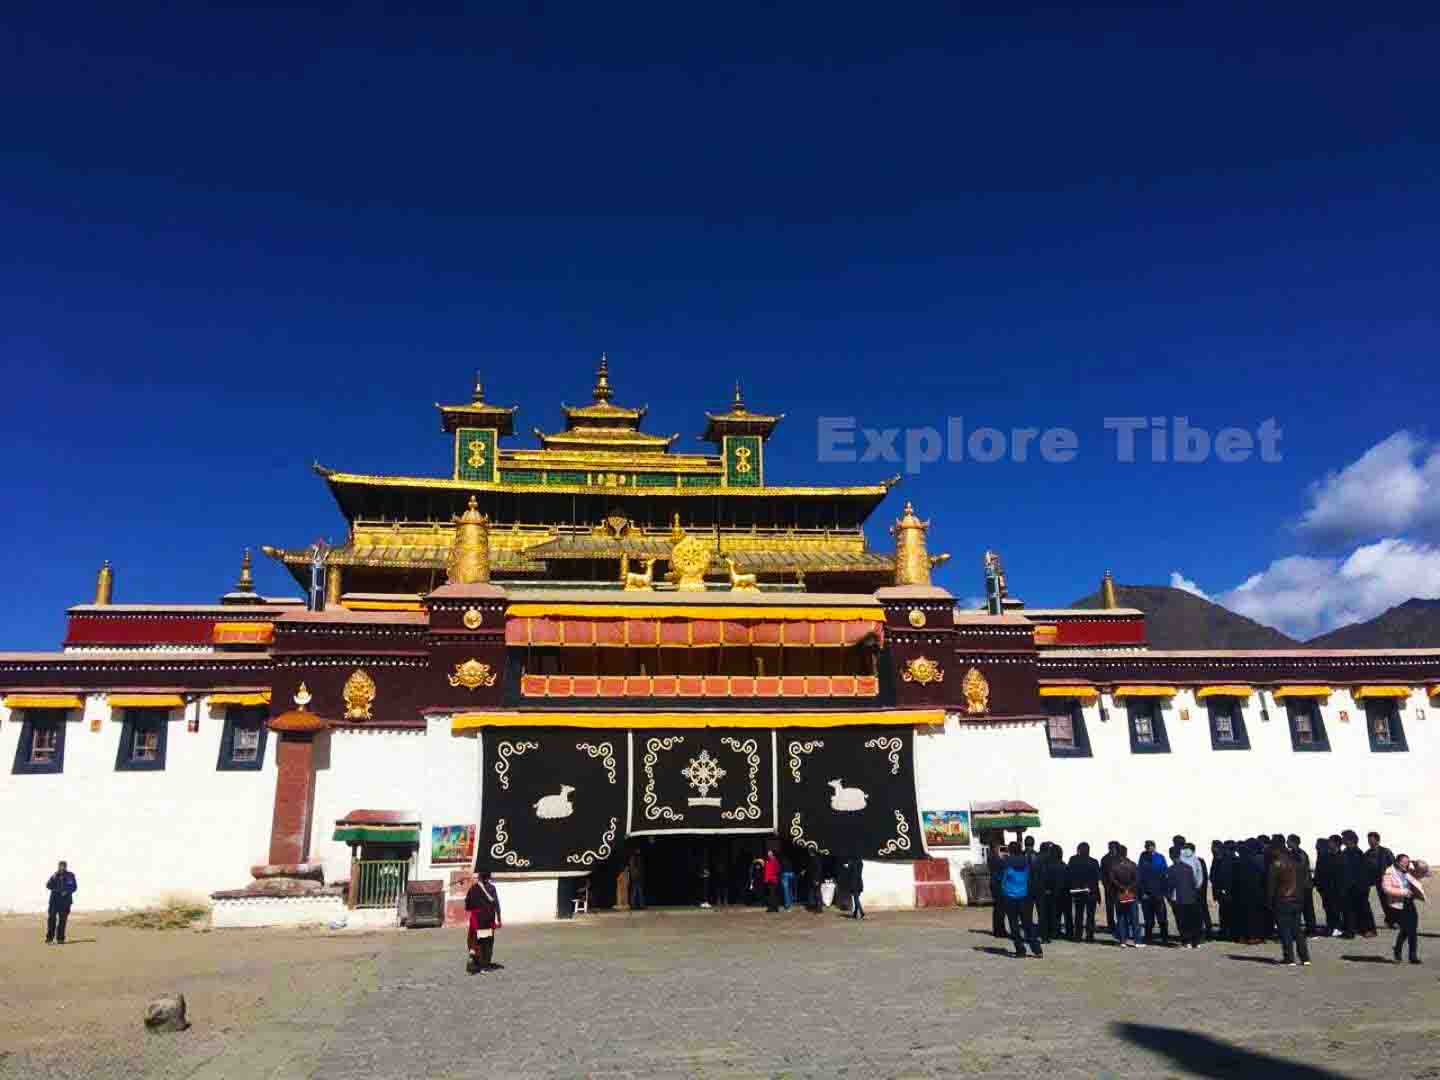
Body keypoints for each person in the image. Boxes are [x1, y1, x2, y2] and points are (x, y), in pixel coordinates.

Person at [1266, 843, 1311, 966]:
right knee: (1297, 930)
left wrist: (1270, 902)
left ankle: (1289, 958)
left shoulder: (1275, 865)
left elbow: (1271, 886)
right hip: (1297, 900)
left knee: (1285, 930)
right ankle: (1305, 957)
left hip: (1282, 900)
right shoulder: (1296, 863)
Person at [1381, 853, 1425, 964]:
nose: (1405, 865)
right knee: (1406, 929)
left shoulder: (1409, 870)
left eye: (1407, 862)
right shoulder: (1389, 872)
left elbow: (1426, 873)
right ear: (1397, 862)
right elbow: (1386, 889)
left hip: (1409, 902)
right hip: (1397, 904)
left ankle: (1412, 955)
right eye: (1403, 862)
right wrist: (1403, 892)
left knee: (1412, 930)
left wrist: (1418, 864)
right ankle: (1398, 951)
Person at [999, 841, 1041, 958]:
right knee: (1028, 924)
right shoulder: (1026, 860)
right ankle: (1037, 949)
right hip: (1024, 896)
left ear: (1010, 850)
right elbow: (1029, 877)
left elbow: (1003, 879)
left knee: (1014, 925)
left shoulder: (1007, 862)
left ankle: (1020, 950)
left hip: (1010, 896)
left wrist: (1004, 892)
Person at [1340, 830, 1377, 938]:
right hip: (1352, 886)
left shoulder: (1356, 853)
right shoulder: (1348, 852)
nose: (1342, 840)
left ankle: (1369, 930)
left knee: (1363, 908)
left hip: (1358, 887)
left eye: (1344, 838)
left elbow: (1356, 872)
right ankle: (1352, 930)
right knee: (1350, 909)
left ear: (1349, 840)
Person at [464, 871, 502, 974]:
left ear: (479, 876)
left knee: (477, 941)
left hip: (477, 920)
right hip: (489, 920)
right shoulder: (492, 888)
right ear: (489, 877)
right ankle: (485, 966)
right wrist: (499, 918)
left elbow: (467, 905)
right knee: (488, 943)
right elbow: (496, 904)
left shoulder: (473, 888)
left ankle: (475, 959)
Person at [1173, 843, 1207, 948]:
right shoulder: (1189, 860)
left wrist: (1196, 887)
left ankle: (1191, 939)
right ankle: (1191, 940)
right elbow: (1198, 876)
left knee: (1189, 918)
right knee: (1189, 918)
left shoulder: (1192, 860)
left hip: (1187, 893)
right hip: (1187, 893)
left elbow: (1199, 875)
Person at [1138, 841, 1171, 945]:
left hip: (1158, 892)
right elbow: (1140, 876)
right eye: (1146, 847)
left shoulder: (1160, 857)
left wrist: (1164, 891)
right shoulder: (1142, 858)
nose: (1148, 849)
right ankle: (1148, 937)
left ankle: (1164, 937)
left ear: (1154, 847)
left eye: (1150, 847)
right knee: (1148, 918)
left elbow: (1165, 874)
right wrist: (1142, 892)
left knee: (1162, 917)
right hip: (1146, 893)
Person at [1067, 842, 1101, 942]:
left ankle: (1078, 936)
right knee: (1090, 915)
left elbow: (1070, 875)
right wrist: (1098, 895)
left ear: (1079, 850)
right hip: (1091, 892)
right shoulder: (1094, 862)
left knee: (1079, 914)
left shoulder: (1073, 860)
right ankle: (1089, 936)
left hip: (1078, 891)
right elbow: (1096, 880)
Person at [1109, 845, 1141, 948]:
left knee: (1121, 918)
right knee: (1134, 918)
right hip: (1132, 894)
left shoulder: (1114, 866)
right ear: (1126, 853)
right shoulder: (1132, 865)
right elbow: (1137, 880)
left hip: (1119, 894)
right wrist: (1129, 888)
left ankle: (1123, 940)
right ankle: (1137, 941)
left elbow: (1112, 880)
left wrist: (1122, 888)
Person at [1286, 835, 1316, 936]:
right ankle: (1309, 929)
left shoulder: (1299, 854)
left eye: (1288, 841)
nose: (1287, 843)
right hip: (1303, 885)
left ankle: (1311, 929)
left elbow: (1300, 870)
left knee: (1306, 909)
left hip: (1303, 886)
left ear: (1293, 842)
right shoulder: (1299, 853)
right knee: (1305, 909)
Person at [1366, 832, 1396, 927]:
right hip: (1378, 881)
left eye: (1372, 840)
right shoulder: (1367, 854)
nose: (1370, 842)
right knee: (1384, 901)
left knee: (1391, 901)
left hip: (1389, 880)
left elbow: (1394, 865)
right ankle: (1390, 921)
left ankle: (1393, 920)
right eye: (1369, 840)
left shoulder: (1386, 851)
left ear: (1377, 840)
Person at [45, 861, 77, 945]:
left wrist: (66, 891)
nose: (62, 867)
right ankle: (49, 938)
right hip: (54, 901)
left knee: (62, 920)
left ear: (66, 867)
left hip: (65, 902)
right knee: (51, 919)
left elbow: (74, 887)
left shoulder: (70, 875)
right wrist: (54, 878)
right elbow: (48, 885)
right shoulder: (55, 875)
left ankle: (60, 939)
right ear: (58, 866)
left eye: (63, 866)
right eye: (60, 866)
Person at [1314, 837, 1340, 935]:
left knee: (1331, 908)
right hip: (1325, 887)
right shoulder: (1324, 856)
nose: (1316, 846)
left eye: (1318, 844)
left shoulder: (1325, 857)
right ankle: (1331, 926)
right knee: (1328, 907)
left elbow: (1323, 873)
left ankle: (1334, 926)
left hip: (1328, 888)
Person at [1211, 841, 1234, 940]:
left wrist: (1223, 889)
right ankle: (1226, 930)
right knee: (1225, 910)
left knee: (1226, 911)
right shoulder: (1219, 858)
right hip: (1223, 890)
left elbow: (1223, 875)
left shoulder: (1222, 858)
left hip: (1224, 890)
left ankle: (1226, 931)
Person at [988, 842, 1008, 937]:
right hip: (997, 883)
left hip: (995, 883)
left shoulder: (993, 857)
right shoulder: (994, 858)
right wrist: (1004, 857)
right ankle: (999, 930)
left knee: (998, 908)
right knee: (1000, 908)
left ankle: (999, 929)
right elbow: (1003, 865)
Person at [1100, 841, 1120, 932]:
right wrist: (1105, 885)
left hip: (1120, 887)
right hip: (1109, 887)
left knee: (1120, 907)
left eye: (1113, 847)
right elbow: (1102, 874)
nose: (1111, 849)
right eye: (1110, 847)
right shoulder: (1105, 859)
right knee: (1110, 907)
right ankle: (1111, 925)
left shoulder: (1121, 858)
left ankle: (1121, 924)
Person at [845, 855, 866, 920]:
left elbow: (851, 871)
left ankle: (861, 912)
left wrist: (848, 866)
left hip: (854, 883)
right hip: (859, 882)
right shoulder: (860, 863)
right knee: (856, 898)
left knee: (856, 898)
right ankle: (855, 913)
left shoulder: (852, 863)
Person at [763, 848, 781, 913]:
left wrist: (773, 876)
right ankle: (774, 907)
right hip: (769, 879)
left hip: (773, 879)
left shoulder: (774, 861)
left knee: (772, 894)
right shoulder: (768, 861)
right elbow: (766, 871)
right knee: (771, 894)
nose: (769, 854)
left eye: (770, 853)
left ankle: (773, 908)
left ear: (772, 854)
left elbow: (777, 870)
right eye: (768, 853)